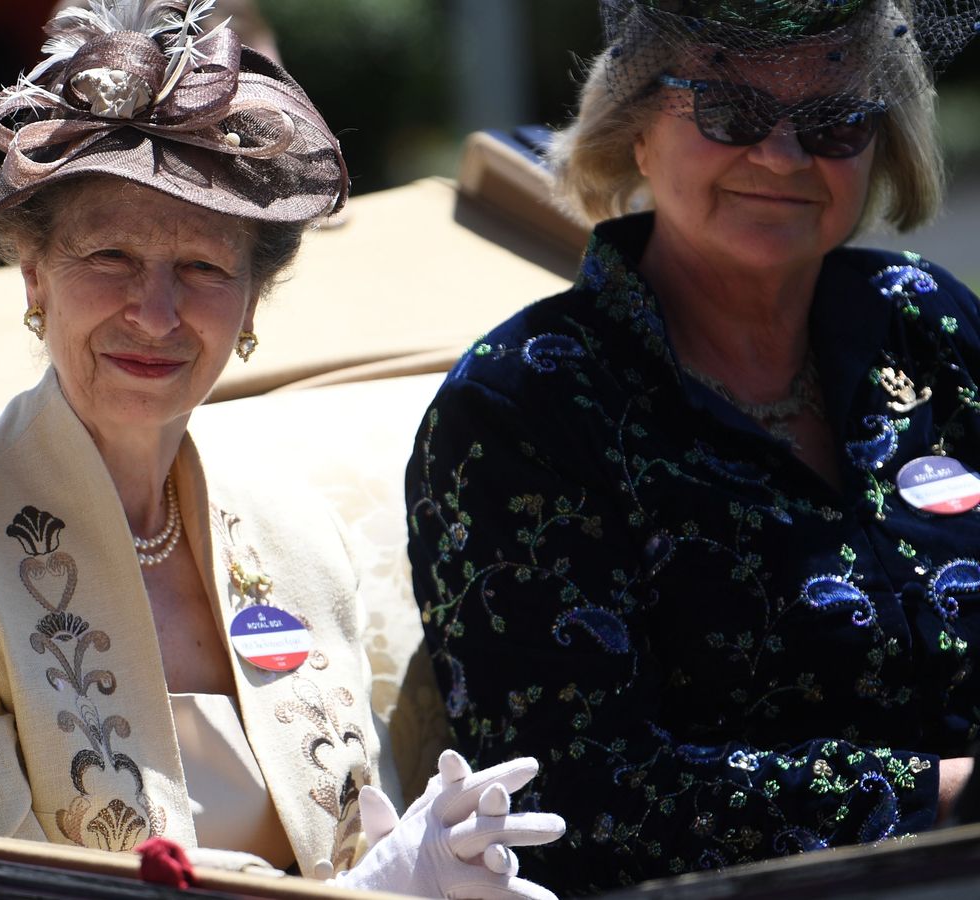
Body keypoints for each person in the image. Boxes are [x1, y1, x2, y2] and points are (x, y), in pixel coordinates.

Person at [0, 0, 564, 895]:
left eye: (204, 268)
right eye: (111, 258)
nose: (157, 313)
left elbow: (363, 845)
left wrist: (433, 867)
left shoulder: (297, 531)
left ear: (250, 306)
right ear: (34, 275)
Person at [406, 0, 980, 894]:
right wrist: (941, 798)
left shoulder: (927, 320)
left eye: (835, 119)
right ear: (634, 129)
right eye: (728, 111)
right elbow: (567, 798)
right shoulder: (524, 404)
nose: (783, 156)